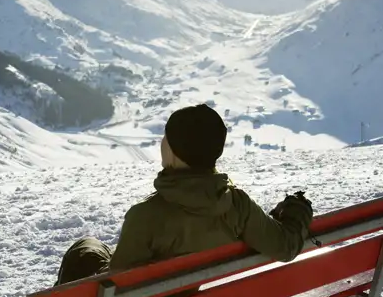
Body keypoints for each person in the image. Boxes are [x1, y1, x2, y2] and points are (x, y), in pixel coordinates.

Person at [54, 104, 314, 286]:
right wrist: (296, 209)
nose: (161, 143)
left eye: (166, 139)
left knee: (84, 250)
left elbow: (117, 286)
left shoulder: (145, 216)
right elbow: (285, 246)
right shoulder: (236, 205)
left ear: (175, 153)